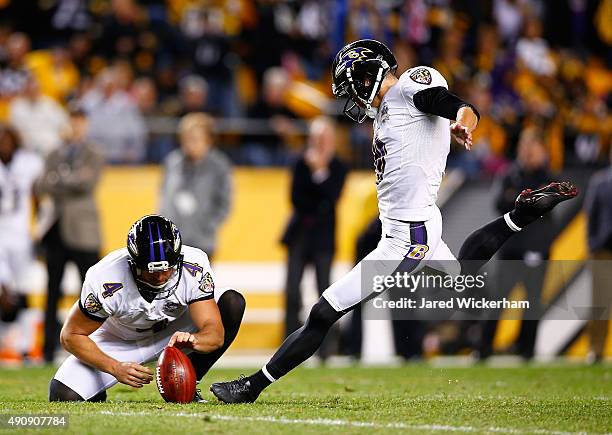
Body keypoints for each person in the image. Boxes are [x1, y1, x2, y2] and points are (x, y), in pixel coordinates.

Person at [210, 39, 577, 403]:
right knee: (461, 274)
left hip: (407, 236)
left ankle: (252, 387)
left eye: (353, 85)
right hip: (416, 224)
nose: (352, 97)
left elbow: (455, 105)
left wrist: (463, 121)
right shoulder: (386, 110)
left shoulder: (410, 88)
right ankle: (519, 216)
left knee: (325, 309)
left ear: (371, 73)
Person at [48, 214, 245, 402]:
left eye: (166, 269)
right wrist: (115, 367)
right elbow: (71, 335)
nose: (160, 277)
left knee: (232, 302)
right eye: (152, 272)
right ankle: (97, 391)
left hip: (174, 331)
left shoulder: (193, 265)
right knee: (64, 394)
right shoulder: (105, 278)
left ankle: (190, 384)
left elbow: (215, 333)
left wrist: (195, 339)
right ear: (133, 263)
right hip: (119, 339)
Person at [35, 107, 104, 363]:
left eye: (80, 122)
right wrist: (69, 179)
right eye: (72, 121)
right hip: (57, 231)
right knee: (52, 290)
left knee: (92, 291)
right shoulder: (55, 152)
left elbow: (87, 183)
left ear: (85, 124)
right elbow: (41, 184)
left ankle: (94, 346)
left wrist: (59, 179)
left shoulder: (94, 153)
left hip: (84, 233)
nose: (75, 126)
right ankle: (47, 349)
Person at [478, 127, 555, 360]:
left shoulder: (548, 177)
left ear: (542, 150)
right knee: (498, 299)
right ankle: (483, 348)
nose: (528, 151)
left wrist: (521, 200)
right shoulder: (511, 173)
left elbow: (546, 208)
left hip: (536, 249)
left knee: (532, 302)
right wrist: (525, 202)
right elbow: (499, 203)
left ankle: (527, 349)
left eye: (533, 146)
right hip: (511, 247)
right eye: (525, 146)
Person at [281, 117, 347, 353]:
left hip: (322, 238)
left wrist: (319, 172)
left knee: (325, 291)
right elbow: (296, 198)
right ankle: (287, 344)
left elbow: (332, 198)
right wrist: (318, 199)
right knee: (291, 290)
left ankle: (326, 347)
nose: (320, 143)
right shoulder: (300, 163)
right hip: (300, 235)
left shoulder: (338, 166)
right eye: (316, 138)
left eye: (324, 138)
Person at [160, 112, 232, 258]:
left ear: (208, 140)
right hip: (173, 241)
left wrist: (207, 225)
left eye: (195, 139)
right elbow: (164, 196)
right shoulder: (173, 162)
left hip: (203, 241)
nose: (189, 144)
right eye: (185, 139)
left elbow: (224, 203)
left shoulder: (219, 165)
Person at [584, 156, 612, 364]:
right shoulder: (599, 180)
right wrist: (592, 245)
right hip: (603, 250)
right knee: (600, 303)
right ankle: (595, 348)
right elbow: (590, 214)